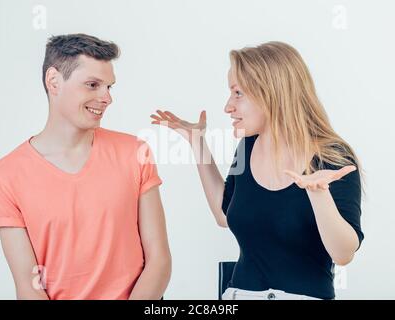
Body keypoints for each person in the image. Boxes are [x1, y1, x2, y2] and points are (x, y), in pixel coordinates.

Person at [151, 41, 363, 300]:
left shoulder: (332, 155)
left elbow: (343, 254)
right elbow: (224, 214)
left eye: (238, 93)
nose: (228, 106)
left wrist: (319, 194)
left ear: (272, 93)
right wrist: (197, 142)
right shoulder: (249, 146)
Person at [0, 33, 171, 300]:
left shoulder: (135, 152)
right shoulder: (6, 176)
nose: (107, 98)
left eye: (109, 87)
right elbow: (28, 285)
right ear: (54, 81)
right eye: (93, 85)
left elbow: (159, 260)